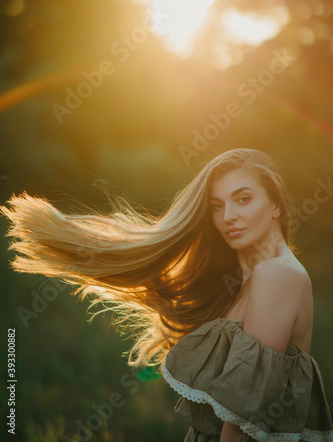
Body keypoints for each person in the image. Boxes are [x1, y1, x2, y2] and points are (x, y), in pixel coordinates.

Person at [1, 148, 332, 442]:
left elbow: (244, 415)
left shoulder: (278, 275)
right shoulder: (247, 277)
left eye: (243, 199)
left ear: (276, 205)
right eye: (217, 205)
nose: (228, 215)